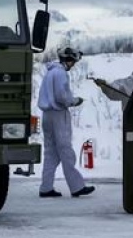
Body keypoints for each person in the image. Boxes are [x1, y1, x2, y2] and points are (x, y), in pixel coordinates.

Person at [38, 47, 95, 198]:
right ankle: (76, 187)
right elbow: (62, 97)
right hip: (58, 114)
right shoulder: (61, 73)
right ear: (69, 60)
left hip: (46, 115)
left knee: (51, 152)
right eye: (74, 61)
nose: (74, 64)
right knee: (66, 151)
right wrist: (75, 101)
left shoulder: (50, 72)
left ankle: (46, 187)